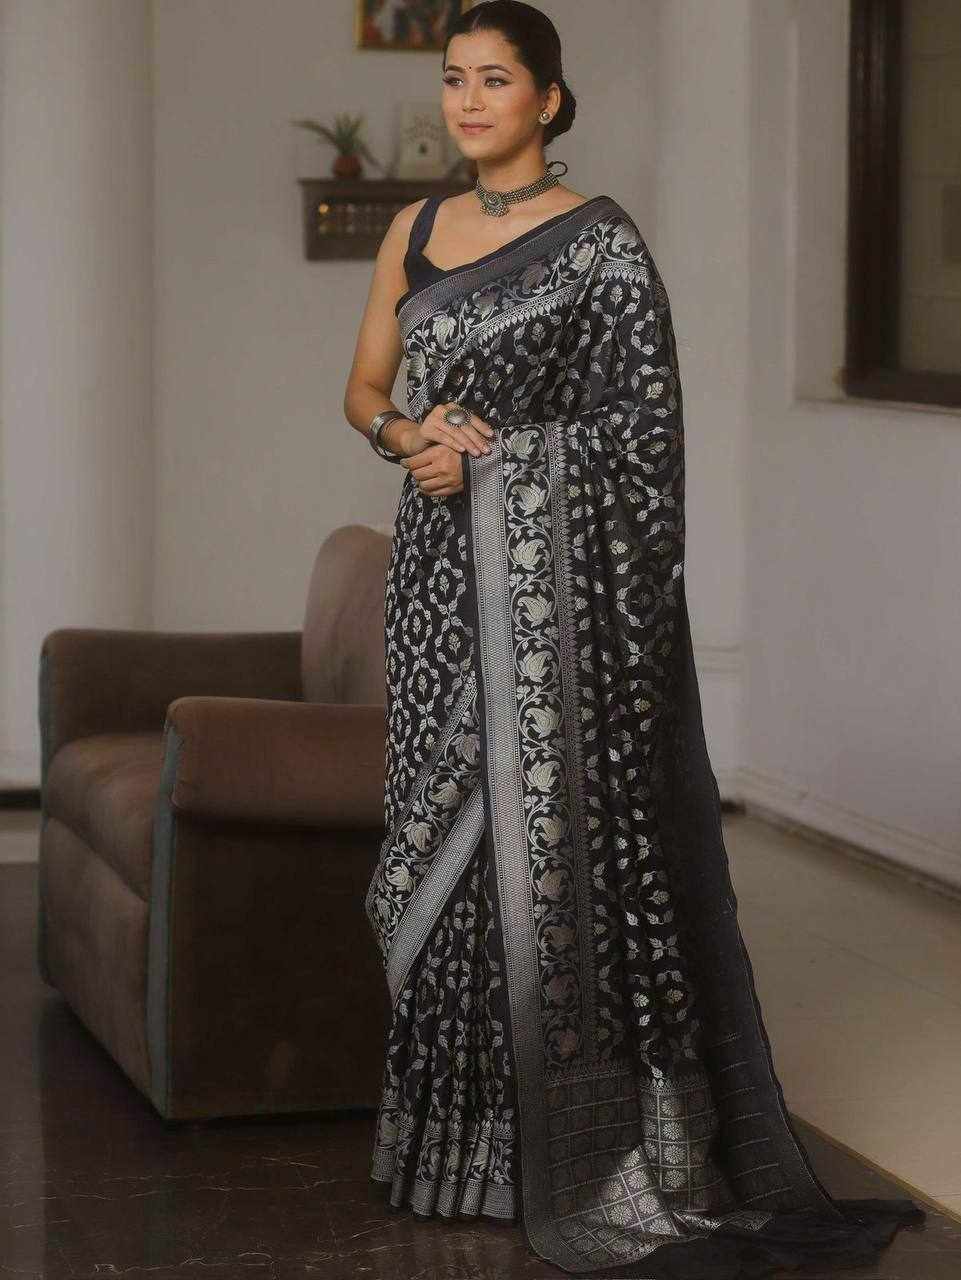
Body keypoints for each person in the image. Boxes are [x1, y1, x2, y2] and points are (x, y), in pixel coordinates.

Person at [343, 3, 926, 1275]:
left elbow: (644, 436)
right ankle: (455, 1147)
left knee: (551, 861)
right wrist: (409, 437)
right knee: (435, 871)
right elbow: (363, 390)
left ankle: (584, 1154)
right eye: (453, 78)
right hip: (436, 589)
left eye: (495, 80)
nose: (468, 100)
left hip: (558, 617)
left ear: (548, 99)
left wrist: (502, 461)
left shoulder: (601, 245)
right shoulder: (414, 229)